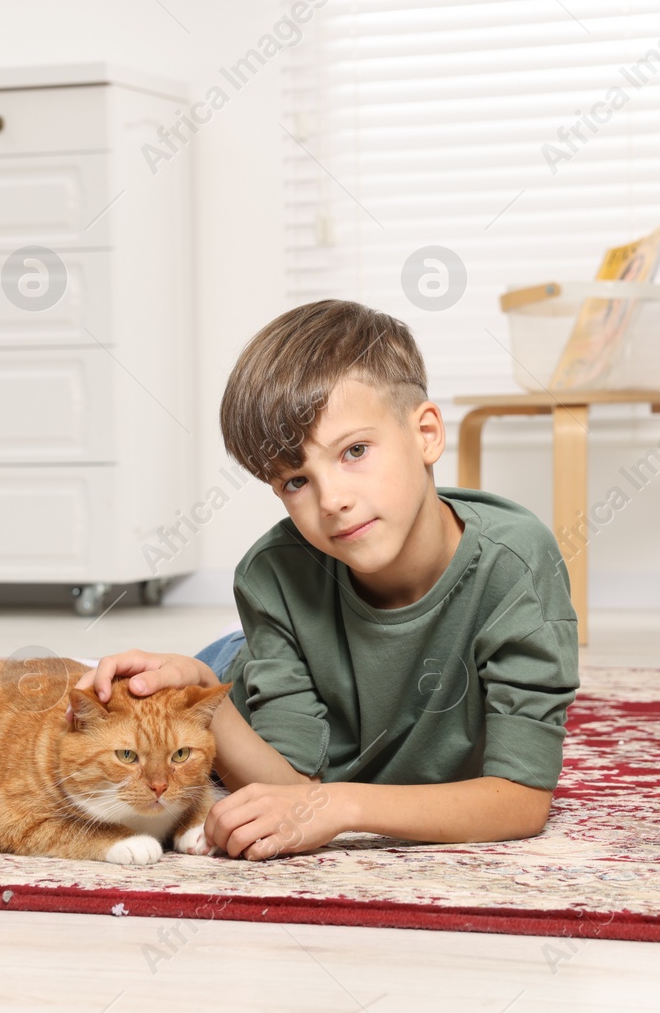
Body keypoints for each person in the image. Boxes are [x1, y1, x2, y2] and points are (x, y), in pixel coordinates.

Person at [77, 299, 579, 861]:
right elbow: (287, 791)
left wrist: (341, 807)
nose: (333, 500)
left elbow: (522, 800)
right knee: (130, 700)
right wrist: (202, 691)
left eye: (355, 451)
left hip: (312, 652)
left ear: (427, 434)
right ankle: (217, 662)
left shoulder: (516, 564)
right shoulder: (273, 575)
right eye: (296, 481)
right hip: (244, 667)